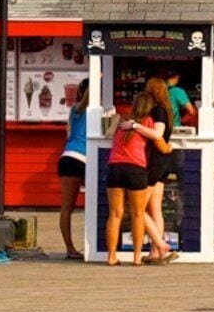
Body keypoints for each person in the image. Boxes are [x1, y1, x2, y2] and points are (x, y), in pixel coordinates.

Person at [103, 90, 177, 267]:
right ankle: (137, 257)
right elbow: (159, 142)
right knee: (138, 214)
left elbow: (107, 134)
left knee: (115, 214)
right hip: (136, 169)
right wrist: (170, 148)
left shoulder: (121, 119)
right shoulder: (149, 122)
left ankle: (111, 256)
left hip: (115, 167)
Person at [55, 82, 91, 261]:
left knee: (87, 203)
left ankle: (90, 245)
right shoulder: (78, 108)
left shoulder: (88, 112)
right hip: (74, 158)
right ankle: (69, 248)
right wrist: (98, 78)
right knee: (68, 206)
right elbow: (86, 99)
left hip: (77, 158)